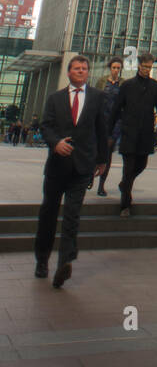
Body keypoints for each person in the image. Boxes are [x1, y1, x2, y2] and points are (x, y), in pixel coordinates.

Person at [34, 55, 107, 287]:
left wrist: (102, 159)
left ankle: (64, 263)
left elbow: (101, 129)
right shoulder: (55, 99)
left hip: (82, 167)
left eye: (84, 68)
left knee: (72, 216)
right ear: (68, 72)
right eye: (76, 68)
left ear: (88, 73)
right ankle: (42, 260)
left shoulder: (97, 97)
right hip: (57, 167)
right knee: (48, 213)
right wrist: (55, 143)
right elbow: (45, 126)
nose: (81, 71)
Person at [113, 52, 157, 216]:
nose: (147, 70)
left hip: (145, 133)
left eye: (150, 67)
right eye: (145, 67)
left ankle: (125, 184)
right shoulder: (127, 86)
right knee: (128, 168)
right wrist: (110, 129)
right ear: (139, 66)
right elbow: (117, 108)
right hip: (129, 132)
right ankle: (125, 204)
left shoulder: (155, 86)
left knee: (141, 164)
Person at [94, 58, 123, 197]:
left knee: (107, 154)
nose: (116, 70)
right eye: (114, 67)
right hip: (100, 120)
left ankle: (101, 185)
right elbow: (94, 98)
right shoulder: (101, 82)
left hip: (114, 122)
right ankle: (90, 175)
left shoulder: (123, 84)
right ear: (109, 68)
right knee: (95, 151)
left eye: (118, 68)